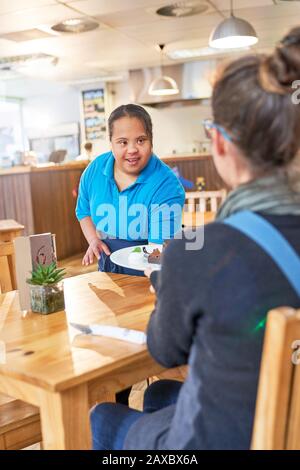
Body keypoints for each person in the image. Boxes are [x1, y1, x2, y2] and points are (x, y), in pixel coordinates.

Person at [90, 27, 300, 450]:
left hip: (229, 440)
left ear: (219, 142)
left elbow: (164, 350)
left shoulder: (202, 253)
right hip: (287, 422)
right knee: (157, 395)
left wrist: (171, 283)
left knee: (102, 417)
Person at [76, 104, 185, 276]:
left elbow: (157, 252)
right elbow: (83, 211)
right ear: (111, 142)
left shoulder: (166, 185)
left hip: (148, 268)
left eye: (141, 140)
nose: (132, 149)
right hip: (107, 265)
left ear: (151, 140)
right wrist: (93, 240)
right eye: (123, 142)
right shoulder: (94, 170)